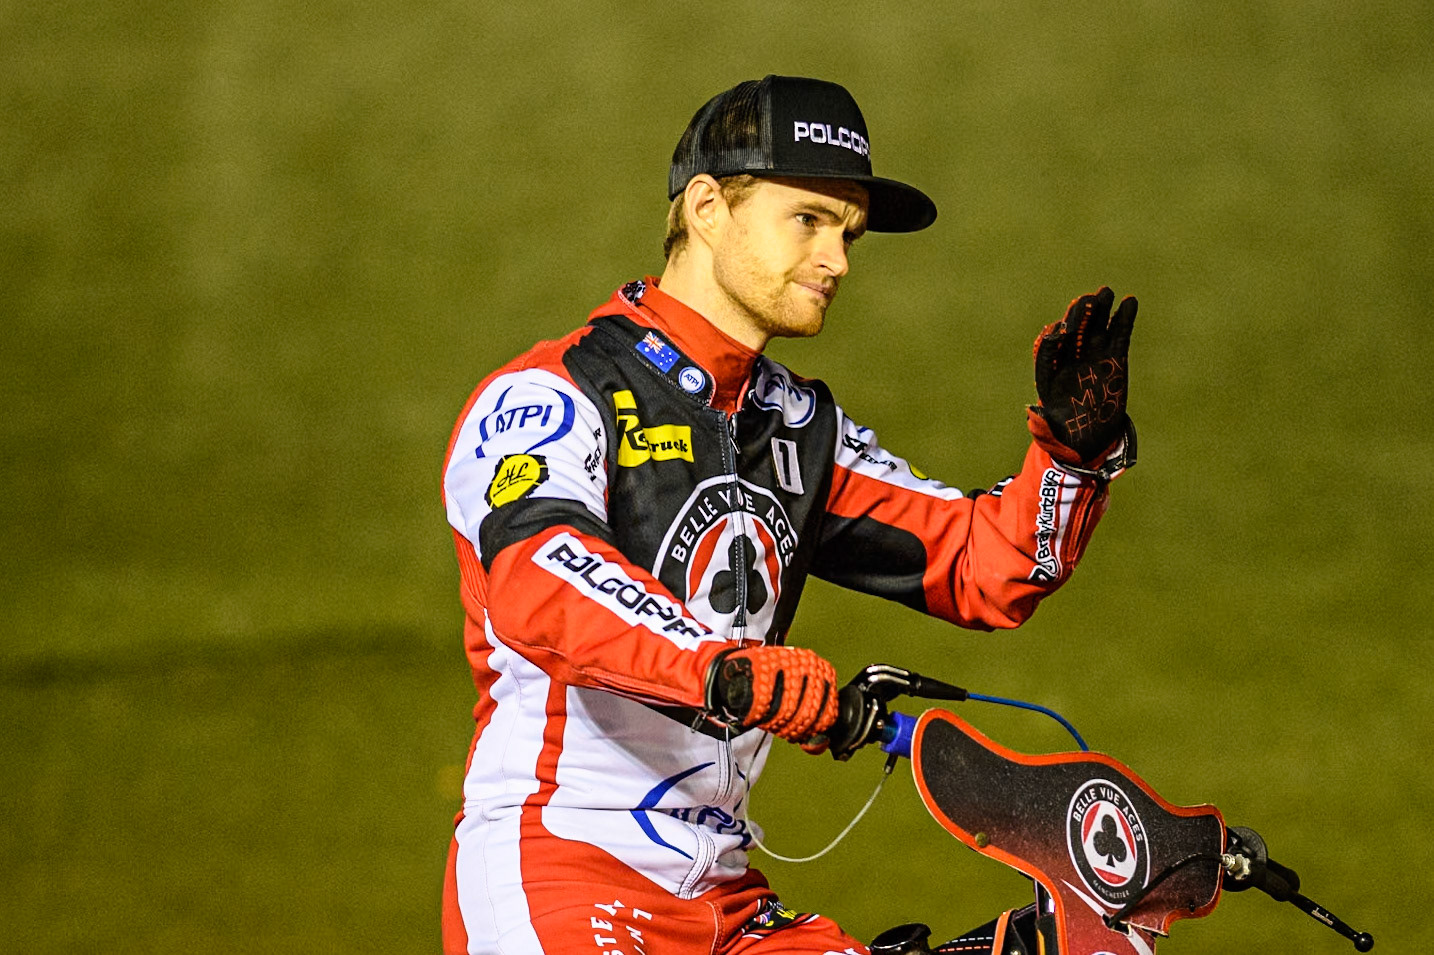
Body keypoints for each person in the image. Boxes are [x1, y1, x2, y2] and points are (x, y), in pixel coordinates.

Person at [440, 74, 1136, 955]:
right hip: (559, 870)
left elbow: (987, 565)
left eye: (846, 232)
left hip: (720, 894)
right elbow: (541, 579)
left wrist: (1073, 454)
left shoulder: (800, 428)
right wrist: (728, 668)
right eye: (807, 218)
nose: (838, 259)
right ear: (705, 208)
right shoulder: (550, 394)